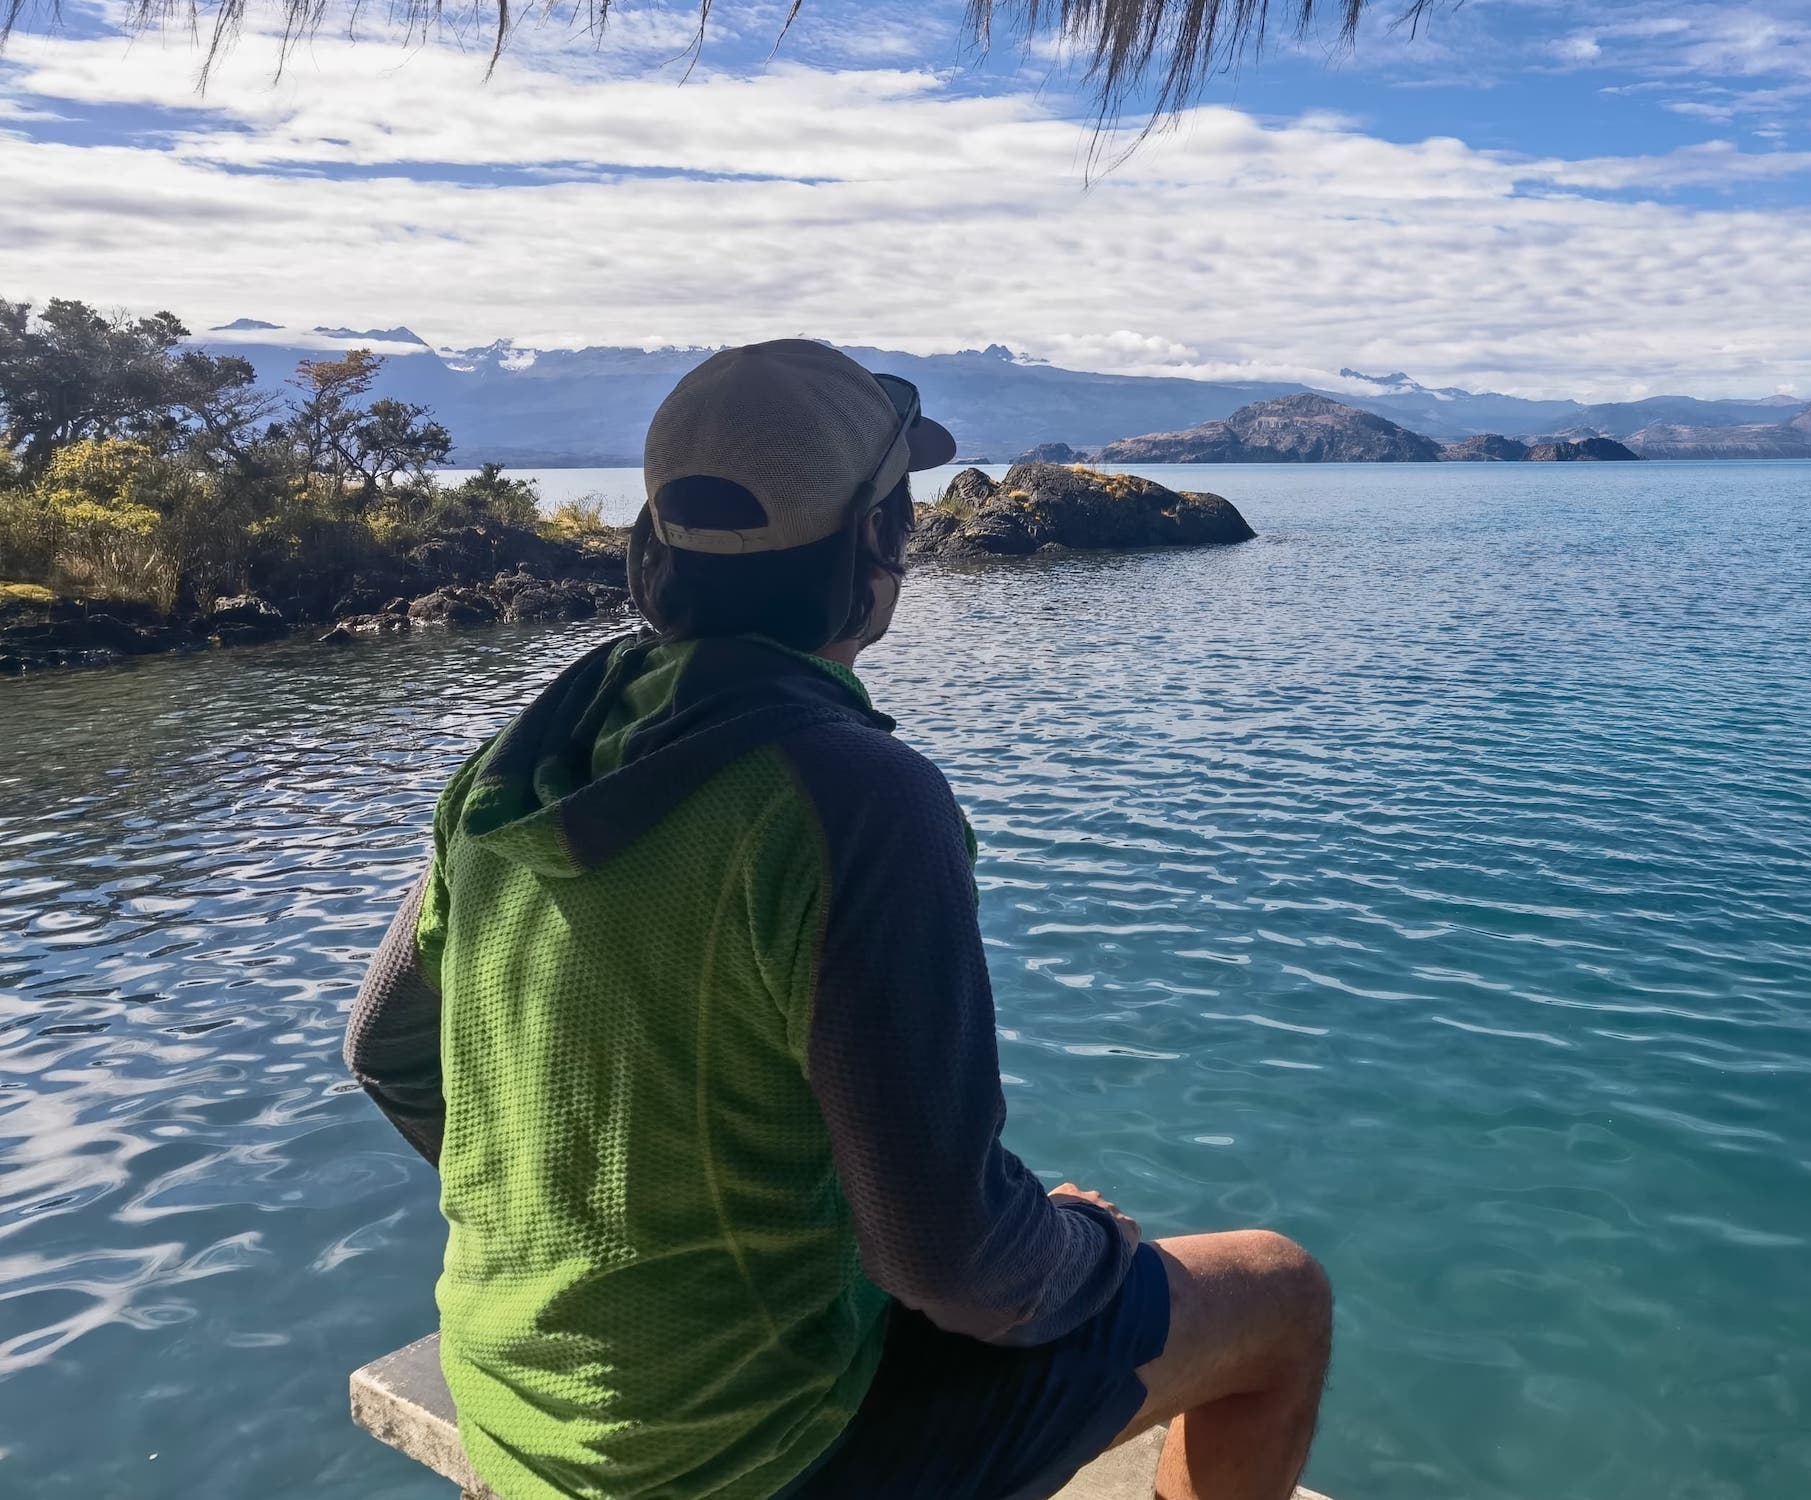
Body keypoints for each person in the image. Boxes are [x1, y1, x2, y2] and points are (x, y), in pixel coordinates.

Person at [343, 340, 1332, 1500]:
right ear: (877, 543)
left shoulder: (523, 762)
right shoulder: (852, 799)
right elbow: (952, 1265)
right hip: (746, 1457)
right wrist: (1084, 1247)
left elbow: (387, 1051)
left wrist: (595, 1235)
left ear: (652, 549)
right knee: (1278, 1293)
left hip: (520, 1405)